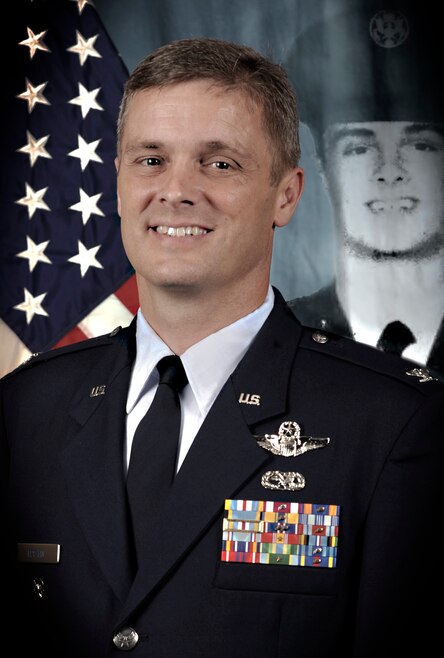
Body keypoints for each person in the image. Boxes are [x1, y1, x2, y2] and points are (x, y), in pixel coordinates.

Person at [1, 36, 443, 658]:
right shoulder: (25, 407)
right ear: (118, 183)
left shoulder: (393, 422)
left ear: (286, 195)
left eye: (220, 164)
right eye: (150, 160)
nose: (176, 190)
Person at [286, 1, 444, 379]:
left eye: (420, 145)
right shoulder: (271, 342)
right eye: (358, 148)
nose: (389, 171)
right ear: (324, 168)